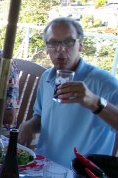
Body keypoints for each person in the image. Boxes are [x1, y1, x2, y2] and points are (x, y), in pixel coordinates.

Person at [19, 17, 118, 168]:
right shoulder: (47, 77)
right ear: (46, 48)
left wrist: (94, 102)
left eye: (69, 42)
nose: (60, 49)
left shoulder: (106, 83)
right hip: (43, 166)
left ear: (80, 46)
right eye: (53, 43)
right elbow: (40, 116)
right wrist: (30, 125)